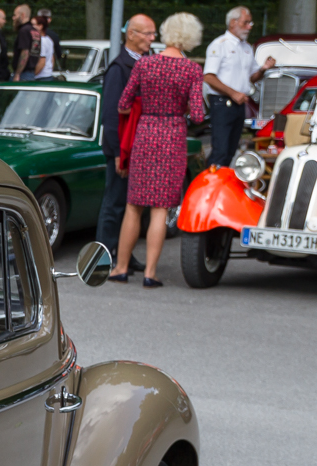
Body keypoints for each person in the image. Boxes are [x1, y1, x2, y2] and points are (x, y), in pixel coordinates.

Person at [114, 12, 206, 287]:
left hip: (145, 132)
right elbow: (199, 116)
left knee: (133, 205)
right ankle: (150, 273)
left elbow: (122, 104)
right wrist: (184, 108)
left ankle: (119, 268)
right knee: (160, 208)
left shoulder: (145, 65)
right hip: (172, 135)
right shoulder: (191, 70)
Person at [97, 14, 154, 252]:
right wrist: (120, 152)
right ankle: (104, 256)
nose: (152, 39)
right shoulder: (119, 68)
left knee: (134, 204)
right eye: (148, 33)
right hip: (122, 148)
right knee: (115, 203)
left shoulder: (147, 62)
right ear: (131, 34)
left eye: (154, 34)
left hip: (138, 145)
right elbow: (111, 114)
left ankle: (124, 255)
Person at [203, 7, 274, 168]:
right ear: (233, 22)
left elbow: (251, 77)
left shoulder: (246, 47)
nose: (249, 26)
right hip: (222, 102)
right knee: (220, 150)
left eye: (250, 23)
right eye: (246, 22)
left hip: (239, 103)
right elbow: (208, 76)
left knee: (231, 150)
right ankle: (210, 185)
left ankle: (222, 184)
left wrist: (263, 68)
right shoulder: (219, 45)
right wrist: (233, 93)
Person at [12, 4, 41, 80]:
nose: (13, 18)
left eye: (15, 15)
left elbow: (25, 52)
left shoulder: (24, 31)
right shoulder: (35, 31)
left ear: (22, 15)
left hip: (23, 74)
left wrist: (18, 73)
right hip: (31, 72)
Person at [36, 7, 60, 73]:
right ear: (49, 19)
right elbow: (58, 54)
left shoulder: (32, 34)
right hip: (49, 70)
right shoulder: (54, 36)